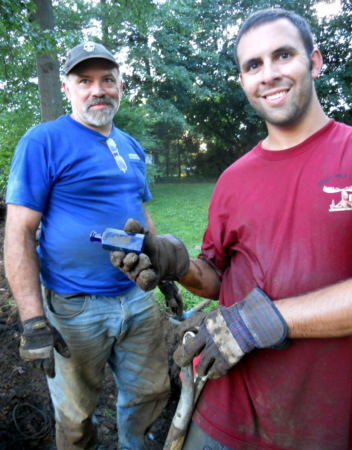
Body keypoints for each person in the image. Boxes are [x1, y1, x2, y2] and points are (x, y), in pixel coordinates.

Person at [111, 8, 352, 450]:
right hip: (222, 411)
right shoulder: (233, 179)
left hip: (322, 423)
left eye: (283, 55)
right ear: (243, 81)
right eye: (253, 65)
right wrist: (177, 263)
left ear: (315, 61)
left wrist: (267, 320)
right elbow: (218, 279)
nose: (269, 74)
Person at [4, 41, 175, 450]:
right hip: (74, 307)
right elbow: (19, 232)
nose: (98, 90)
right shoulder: (43, 141)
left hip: (137, 297)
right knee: (77, 419)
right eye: (85, 81)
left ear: (119, 87)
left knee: (150, 394)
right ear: (68, 89)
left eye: (107, 80)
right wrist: (32, 322)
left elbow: (141, 214)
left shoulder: (131, 146)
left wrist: (165, 274)